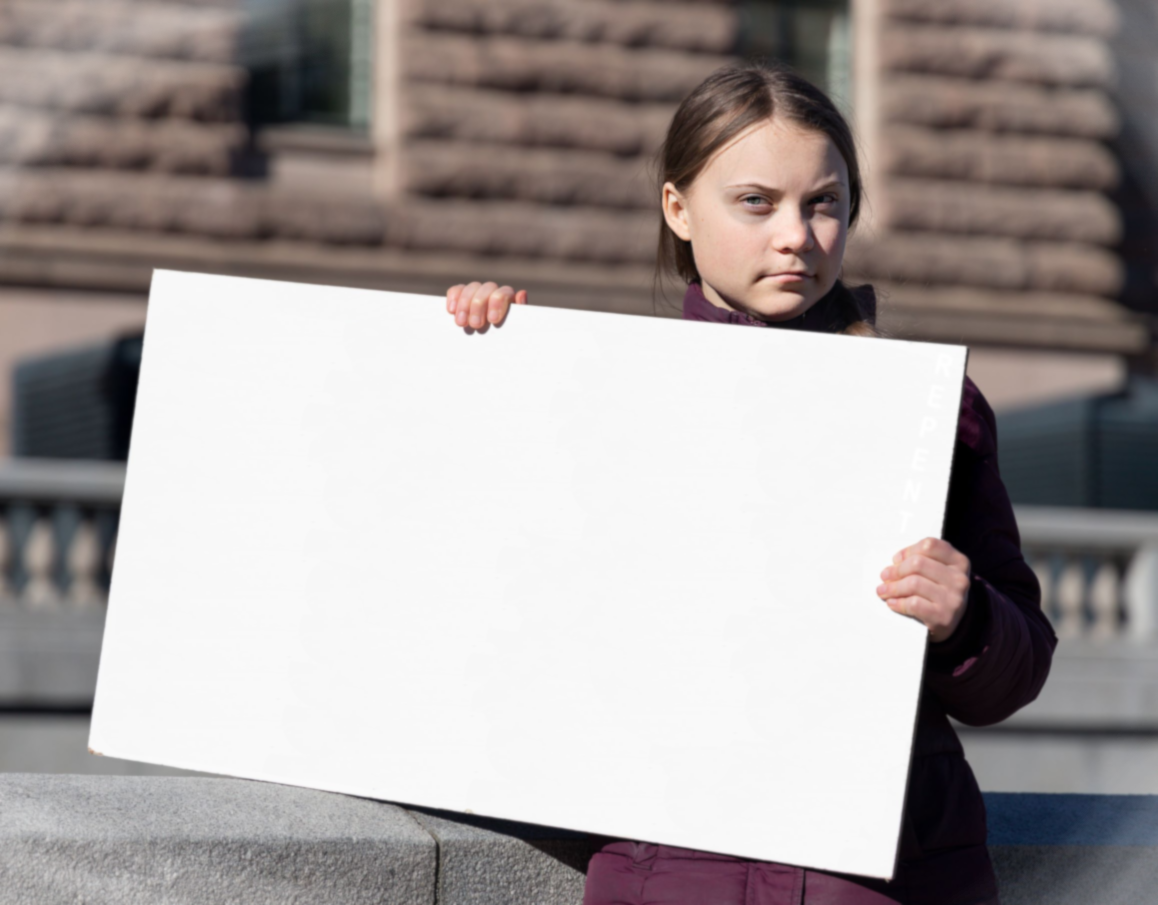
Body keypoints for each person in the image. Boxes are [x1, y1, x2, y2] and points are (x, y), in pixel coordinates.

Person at [443, 61, 1056, 905]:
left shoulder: (930, 410)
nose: (797, 236)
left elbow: (1019, 666)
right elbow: (481, 603)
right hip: (670, 869)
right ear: (678, 208)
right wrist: (477, 348)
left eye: (825, 202)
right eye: (756, 202)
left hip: (888, 876)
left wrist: (966, 617)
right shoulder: (595, 394)